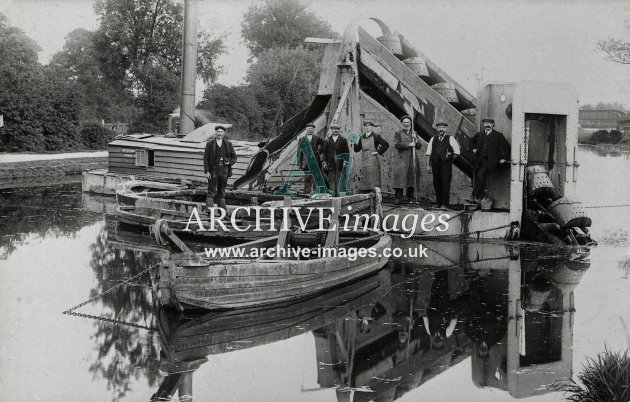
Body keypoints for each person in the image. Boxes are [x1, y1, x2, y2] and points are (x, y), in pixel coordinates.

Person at [470, 118, 510, 203]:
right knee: (481, 178)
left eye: (489, 123)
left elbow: (507, 146)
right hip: (478, 160)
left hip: (489, 161)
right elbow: (471, 141)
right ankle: (479, 198)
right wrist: (473, 148)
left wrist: (504, 158)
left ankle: (473, 196)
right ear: (483, 125)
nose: (487, 125)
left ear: (493, 125)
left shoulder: (498, 135)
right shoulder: (479, 134)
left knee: (480, 175)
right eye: (485, 123)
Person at [425, 120, 461, 209]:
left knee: (445, 183)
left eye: (443, 127)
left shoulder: (450, 138)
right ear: (437, 129)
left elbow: (457, 152)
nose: (441, 129)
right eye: (440, 127)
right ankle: (439, 203)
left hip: (446, 165)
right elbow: (428, 153)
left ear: (446, 129)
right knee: (436, 183)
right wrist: (428, 165)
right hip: (435, 164)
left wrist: (449, 160)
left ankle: (444, 204)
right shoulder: (433, 139)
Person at [203, 125, 237, 210]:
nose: (219, 133)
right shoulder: (210, 143)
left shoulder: (228, 144)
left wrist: (230, 162)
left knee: (222, 191)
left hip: (224, 170)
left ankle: (222, 211)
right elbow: (206, 158)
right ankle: (209, 211)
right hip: (213, 170)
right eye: (218, 131)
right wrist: (207, 171)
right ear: (215, 132)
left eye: (221, 132)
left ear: (224, 133)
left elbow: (234, 157)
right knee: (211, 190)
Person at [353, 120, 389, 193]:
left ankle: (375, 195)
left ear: (371, 127)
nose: (367, 127)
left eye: (369, 126)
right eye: (366, 126)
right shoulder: (361, 137)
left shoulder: (376, 136)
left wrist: (378, 152)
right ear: (364, 127)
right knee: (365, 178)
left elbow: (386, 144)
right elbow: (357, 149)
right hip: (364, 161)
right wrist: (354, 141)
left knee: (374, 179)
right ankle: (367, 195)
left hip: (373, 161)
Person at [393, 115, 422, 205]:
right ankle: (398, 197)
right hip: (401, 159)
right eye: (404, 122)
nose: (406, 124)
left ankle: (410, 197)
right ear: (402, 123)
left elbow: (419, 146)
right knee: (399, 178)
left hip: (412, 158)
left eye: (408, 122)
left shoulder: (414, 133)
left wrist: (416, 139)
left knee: (411, 177)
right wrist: (409, 144)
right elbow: (397, 145)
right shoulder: (398, 133)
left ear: (410, 123)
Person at [296, 123, 325, 194]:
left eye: (311, 129)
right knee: (307, 178)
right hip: (306, 162)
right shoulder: (302, 139)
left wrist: (320, 151)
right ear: (306, 130)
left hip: (316, 161)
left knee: (316, 177)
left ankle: (316, 192)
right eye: (308, 129)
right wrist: (299, 163)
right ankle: (306, 192)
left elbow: (325, 144)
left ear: (313, 130)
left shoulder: (317, 138)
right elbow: (299, 152)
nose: (310, 130)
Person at [322, 123, 350, 196]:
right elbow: (324, 152)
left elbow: (347, 152)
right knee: (331, 178)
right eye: (334, 129)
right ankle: (331, 194)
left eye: (337, 129)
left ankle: (338, 195)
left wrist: (346, 161)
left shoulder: (343, 140)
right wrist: (324, 162)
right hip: (330, 162)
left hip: (340, 163)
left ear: (339, 130)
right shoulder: (328, 140)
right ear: (332, 130)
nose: (335, 130)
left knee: (339, 178)